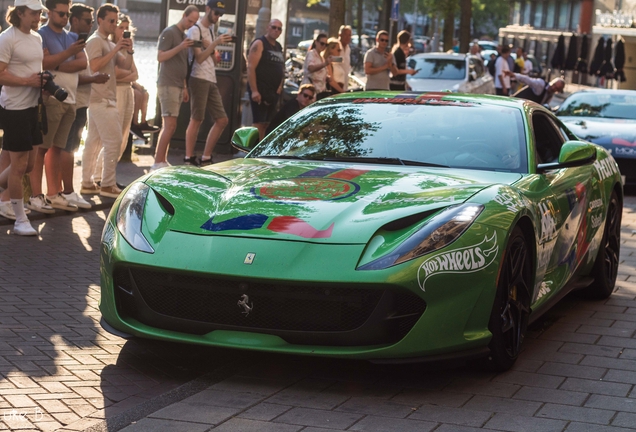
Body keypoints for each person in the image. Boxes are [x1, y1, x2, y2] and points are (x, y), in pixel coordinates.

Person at [28, 0, 86, 214]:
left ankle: (54, 193)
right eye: (61, 14)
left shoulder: (72, 37)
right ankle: (35, 195)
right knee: (41, 147)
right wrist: (68, 54)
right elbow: (43, 64)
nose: (64, 18)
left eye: (66, 14)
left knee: (58, 148)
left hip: (71, 99)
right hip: (51, 99)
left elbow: (83, 63)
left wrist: (57, 61)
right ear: (50, 13)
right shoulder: (41, 35)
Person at [0, 0, 48, 235]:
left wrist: (42, 82)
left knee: (28, 164)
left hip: (33, 106)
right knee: (18, 165)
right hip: (14, 108)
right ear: (19, 13)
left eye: (39, 12)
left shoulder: (37, 38)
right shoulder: (7, 38)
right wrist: (27, 82)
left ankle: (2, 187)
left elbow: (34, 70)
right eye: (33, 13)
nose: (38, 17)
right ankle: (20, 221)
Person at [80, 3, 133, 198]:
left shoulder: (109, 43)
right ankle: (107, 184)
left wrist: (129, 49)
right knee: (114, 141)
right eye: (111, 21)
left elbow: (126, 66)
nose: (114, 24)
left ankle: (87, 182)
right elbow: (94, 66)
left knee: (93, 142)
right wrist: (116, 48)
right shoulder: (95, 41)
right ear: (99, 20)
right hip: (100, 99)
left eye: (116, 21)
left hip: (105, 98)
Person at [61, 3, 107, 209]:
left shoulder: (80, 42)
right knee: (67, 148)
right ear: (75, 21)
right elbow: (69, 75)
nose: (91, 25)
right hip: (73, 101)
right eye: (88, 21)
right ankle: (67, 191)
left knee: (71, 146)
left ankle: (67, 191)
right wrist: (94, 79)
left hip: (80, 103)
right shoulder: (71, 43)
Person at [184, 0, 232, 166]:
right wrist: (215, 43)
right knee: (197, 118)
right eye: (216, 13)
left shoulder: (211, 31)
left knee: (222, 119)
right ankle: (189, 157)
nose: (218, 17)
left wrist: (213, 49)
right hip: (198, 78)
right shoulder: (195, 30)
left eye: (220, 14)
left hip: (211, 77)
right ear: (208, 9)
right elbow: (199, 58)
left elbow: (213, 59)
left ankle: (206, 156)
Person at [151, 4, 198, 171]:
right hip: (168, 83)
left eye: (194, 22)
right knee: (169, 125)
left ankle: (161, 159)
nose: (191, 24)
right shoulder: (170, 32)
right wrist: (180, 47)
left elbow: (181, 63)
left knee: (171, 125)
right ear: (183, 16)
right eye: (190, 20)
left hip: (178, 84)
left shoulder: (183, 36)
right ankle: (157, 161)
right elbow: (160, 56)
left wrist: (184, 86)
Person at [92, 13, 136, 183]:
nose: (124, 31)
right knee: (112, 138)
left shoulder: (120, 49)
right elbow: (116, 74)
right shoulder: (107, 45)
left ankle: (107, 175)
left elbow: (134, 74)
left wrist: (130, 50)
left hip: (127, 91)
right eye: (120, 27)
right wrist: (127, 74)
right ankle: (100, 176)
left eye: (126, 28)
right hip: (114, 92)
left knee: (123, 137)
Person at [246, 19, 284, 141]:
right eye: (274, 27)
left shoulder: (278, 46)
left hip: (272, 92)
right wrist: (254, 90)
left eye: (279, 29)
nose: (276, 30)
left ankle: (260, 150)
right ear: (268, 27)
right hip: (260, 89)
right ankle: (253, 150)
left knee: (267, 123)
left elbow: (281, 68)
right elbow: (251, 67)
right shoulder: (259, 43)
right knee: (259, 123)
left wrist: (279, 87)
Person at [302, 33, 330, 99]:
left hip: (319, 91)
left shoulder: (321, 57)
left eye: (326, 45)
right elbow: (311, 68)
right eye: (322, 43)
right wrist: (325, 64)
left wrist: (327, 78)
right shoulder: (311, 53)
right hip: (310, 92)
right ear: (316, 42)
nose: (324, 46)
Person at [338, 25, 351, 91]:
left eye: (349, 35)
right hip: (336, 83)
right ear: (340, 34)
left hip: (344, 84)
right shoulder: (335, 47)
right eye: (345, 35)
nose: (347, 37)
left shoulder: (348, 48)